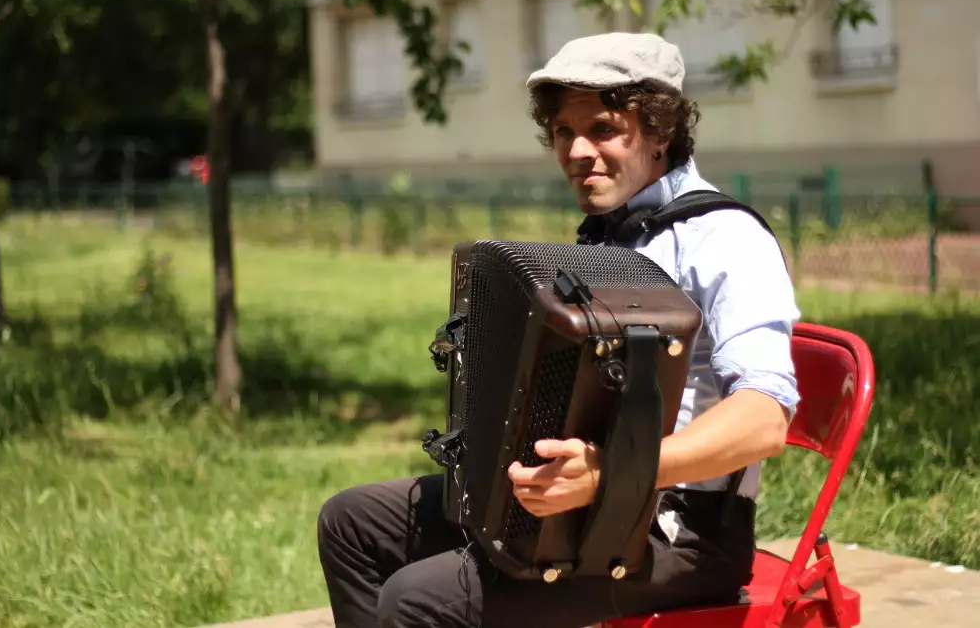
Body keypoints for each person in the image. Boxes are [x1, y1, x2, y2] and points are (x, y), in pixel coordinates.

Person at [317, 31, 801, 628]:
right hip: (579, 503)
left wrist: (611, 472)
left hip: (679, 531)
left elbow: (766, 419)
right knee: (351, 522)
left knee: (417, 601)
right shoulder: (611, 236)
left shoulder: (727, 238)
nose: (577, 151)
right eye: (565, 133)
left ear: (660, 130)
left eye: (601, 129)